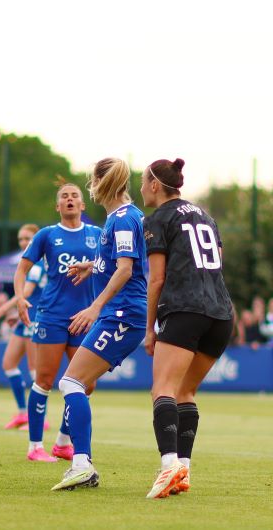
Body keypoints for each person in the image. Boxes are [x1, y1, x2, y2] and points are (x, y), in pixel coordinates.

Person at [138, 158, 234, 498]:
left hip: (185, 309)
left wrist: (150, 328)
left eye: (141, 181)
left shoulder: (157, 219)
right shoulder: (205, 215)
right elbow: (216, 262)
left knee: (162, 389)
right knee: (185, 392)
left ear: (154, 184)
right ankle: (184, 470)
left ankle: (168, 467)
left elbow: (157, 279)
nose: (140, 188)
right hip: (221, 313)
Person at [51, 158, 147, 491]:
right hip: (121, 313)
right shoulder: (123, 217)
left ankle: (81, 463)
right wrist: (92, 265)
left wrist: (95, 306)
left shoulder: (121, 219)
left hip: (122, 315)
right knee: (75, 383)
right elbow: (119, 263)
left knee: (71, 383)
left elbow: (125, 269)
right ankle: (78, 459)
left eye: (92, 179)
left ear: (99, 183)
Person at [14, 183, 101, 462]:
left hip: (84, 317)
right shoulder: (47, 235)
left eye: (75, 196)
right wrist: (19, 298)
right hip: (51, 315)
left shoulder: (97, 235)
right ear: (58, 206)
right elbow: (22, 269)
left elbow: (115, 266)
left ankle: (63, 442)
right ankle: (35, 447)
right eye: (64, 197)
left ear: (83, 205)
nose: (70, 200)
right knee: (45, 380)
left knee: (86, 384)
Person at [0, 223, 44, 430]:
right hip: (23, 316)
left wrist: (2, 310)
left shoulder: (37, 264)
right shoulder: (27, 263)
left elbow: (27, 292)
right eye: (20, 239)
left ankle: (39, 419)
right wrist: (14, 313)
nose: (23, 243)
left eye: (28, 238)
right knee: (9, 363)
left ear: (36, 239)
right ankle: (22, 413)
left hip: (35, 317)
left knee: (34, 370)